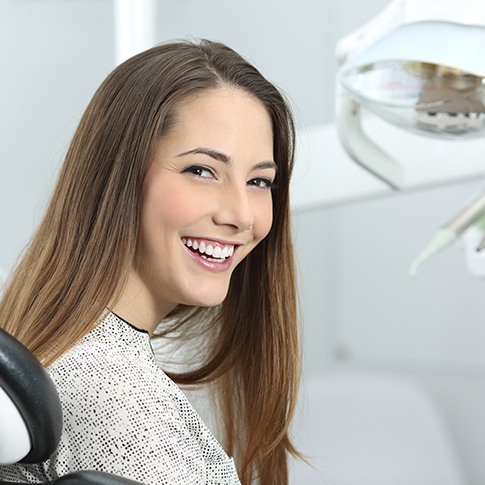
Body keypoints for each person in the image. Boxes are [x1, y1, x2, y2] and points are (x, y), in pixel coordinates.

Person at [0, 39, 300, 484]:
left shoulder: (74, 355)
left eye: (259, 181)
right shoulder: (118, 394)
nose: (239, 215)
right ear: (118, 178)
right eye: (201, 170)